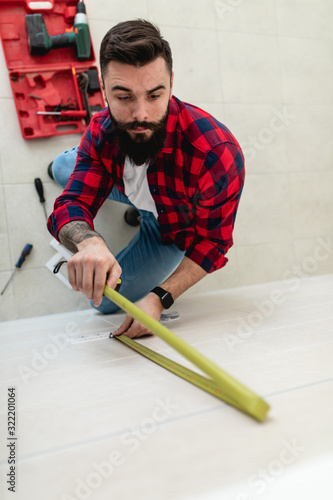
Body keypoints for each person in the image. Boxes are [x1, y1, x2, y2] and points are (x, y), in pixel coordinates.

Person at [47, 19, 245, 339]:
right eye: (123, 97)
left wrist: (159, 298)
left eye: (154, 95)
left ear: (171, 83)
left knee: (102, 304)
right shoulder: (101, 129)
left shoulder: (216, 153)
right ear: (104, 85)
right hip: (130, 187)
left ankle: (142, 212)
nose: (141, 114)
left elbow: (212, 243)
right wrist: (89, 242)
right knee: (61, 168)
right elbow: (71, 203)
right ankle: (133, 200)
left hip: (172, 229)